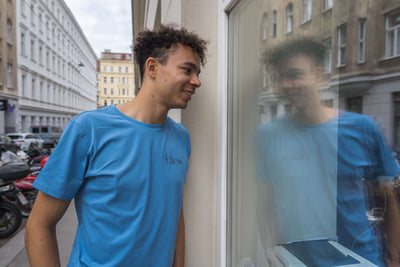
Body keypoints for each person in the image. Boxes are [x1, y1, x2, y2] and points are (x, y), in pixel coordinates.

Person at [25, 24, 208, 267]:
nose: (196, 81)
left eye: (197, 73)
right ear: (152, 67)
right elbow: (39, 224)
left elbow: (174, 213)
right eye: (188, 70)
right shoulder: (88, 129)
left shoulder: (181, 137)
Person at [255, 38, 400, 266]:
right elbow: (265, 204)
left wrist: (395, 259)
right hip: (297, 261)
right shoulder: (268, 135)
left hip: (359, 259)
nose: (286, 84)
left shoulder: (363, 128)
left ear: (319, 75)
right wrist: (271, 253)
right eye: (279, 77)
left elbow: (388, 200)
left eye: (295, 74)